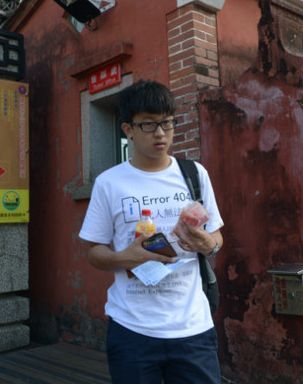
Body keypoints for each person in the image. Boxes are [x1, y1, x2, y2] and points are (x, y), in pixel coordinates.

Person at [79, 79, 224, 384]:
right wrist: (125, 257)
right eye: (148, 125)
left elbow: (217, 240)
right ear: (127, 129)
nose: (160, 133)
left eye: (167, 123)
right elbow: (93, 252)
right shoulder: (110, 182)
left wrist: (206, 243)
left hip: (193, 329)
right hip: (132, 330)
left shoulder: (194, 174)